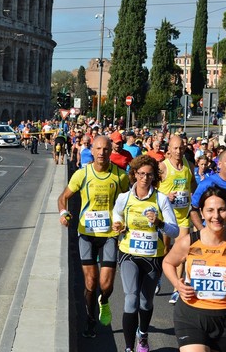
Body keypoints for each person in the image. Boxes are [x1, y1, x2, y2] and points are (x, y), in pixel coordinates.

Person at [162, 186, 226, 352]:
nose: (216, 216)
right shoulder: (189, 241)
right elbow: (168, 263)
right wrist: (178, 286)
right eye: (210, 210)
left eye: (221, 210)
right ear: (202, 213)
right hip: (191, 315)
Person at [57, 136, 130, 338]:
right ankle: (90, 320)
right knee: (90, 282)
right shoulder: (82, 174)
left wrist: (123, 221)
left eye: (106, 149)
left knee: (106, 285)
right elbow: (63, 198)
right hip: (87, 234)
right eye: (98, 149)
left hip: (109, 235)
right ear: (92, 149)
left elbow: (129, 203)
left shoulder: (120, 176)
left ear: (110, 151)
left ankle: (104, 301)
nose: (102, 153)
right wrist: (64, 213)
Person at [112, 155, 179, 352]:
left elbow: (174, 231)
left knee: (145, 301)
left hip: (152, 256)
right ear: (134, 174)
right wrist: (118, 224)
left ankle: (143, 334)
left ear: (154, 177)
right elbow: (116, 214)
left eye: (149, 175)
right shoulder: (124, 197)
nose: (145, 178)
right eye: (141, 174)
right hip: (128, 253)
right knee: (131, 298)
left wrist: (159, 222)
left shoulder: (161, 199)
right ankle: (128, 347)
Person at [158, 136, 198, 304]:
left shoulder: (188, 166)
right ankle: (159, 277)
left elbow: (194, 185)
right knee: (165, 250)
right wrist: (166, 196)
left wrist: (195, 198)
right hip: (167, 216)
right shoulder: (163, 166)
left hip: (183, 216)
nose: (178, 151)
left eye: (181, 148)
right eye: (175, 148)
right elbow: (152, 188)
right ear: (169, 149)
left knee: (182, 252)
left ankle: (176, 288)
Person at [190, 149, 226, 231]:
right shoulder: (207, 183)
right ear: (219, 164)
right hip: (213, 233)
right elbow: (193, 210)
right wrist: (202, 231)